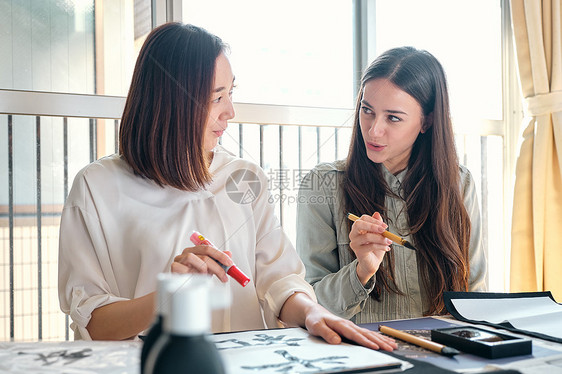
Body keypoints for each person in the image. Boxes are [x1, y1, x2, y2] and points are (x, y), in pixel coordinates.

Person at [58, 22, 396, 351]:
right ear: (171, 101)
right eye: (216, 97)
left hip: (247, 361)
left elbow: (278, 281)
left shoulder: (244, 178)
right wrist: (167, 294)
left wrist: (313, 314)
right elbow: (92, 320)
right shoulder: (97, 187)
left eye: (230, 93)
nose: (230, 112)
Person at [296, 46, 487, 324]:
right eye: (367, 111)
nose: (374, 130)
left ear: (427, 121)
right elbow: (309, 302)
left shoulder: (459, 184)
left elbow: (476, 294)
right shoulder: (323, 184)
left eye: (393, 118)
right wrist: (361, 270)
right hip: (361, 354)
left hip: (444, 352)